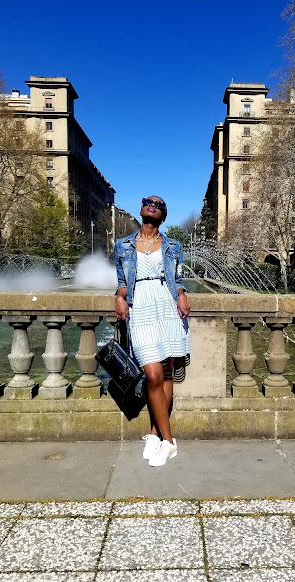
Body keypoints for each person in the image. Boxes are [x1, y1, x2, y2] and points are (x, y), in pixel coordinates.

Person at [114, 196, 190, 467]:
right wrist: (119, 297)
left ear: (163, 215)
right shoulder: (122, 244)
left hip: (167, 305)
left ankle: (159, 436)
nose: (153, 205)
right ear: (141, 209)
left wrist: (182, 294)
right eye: (148, 201)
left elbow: (176, 278)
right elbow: (122, 280)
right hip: (141, 306)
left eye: (159, 204)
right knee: (153, 374)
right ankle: (169, 441)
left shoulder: (173, 245)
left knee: (166, 372)